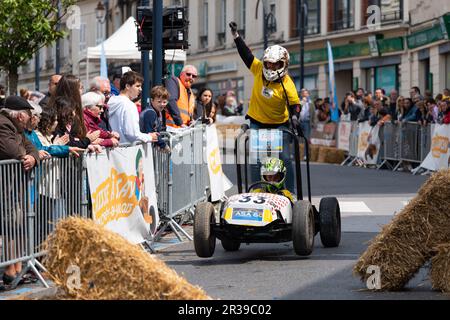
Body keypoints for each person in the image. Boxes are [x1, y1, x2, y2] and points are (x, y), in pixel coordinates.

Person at [229, 21, 300, 191]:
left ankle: (289, 191)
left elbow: (294, 104)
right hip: (257, 122)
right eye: (268, 63)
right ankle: (257, 189)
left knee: (285, 159)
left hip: (279, 125)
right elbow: (247, 56)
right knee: (256, 159)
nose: (271, 67)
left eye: (275, 64)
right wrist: (236, 36)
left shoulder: (287, 83)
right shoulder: (259, 70)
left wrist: (295, 117)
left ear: (283, 64)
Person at [0, 96, 40, 287]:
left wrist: (32, 157)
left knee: (15, 224)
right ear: (19, 115)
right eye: (28, 113)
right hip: (5, 186)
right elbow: (12, 151)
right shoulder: (3, 124)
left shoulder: (16, 128)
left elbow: (32, 148)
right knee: (8, 225)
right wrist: (28, 155)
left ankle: (14, 267)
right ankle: (10, 269)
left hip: (12, 186)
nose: (30, 117)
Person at [108, 71, 159, 144]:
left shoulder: (111, 101)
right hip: (127, 150)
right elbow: (132, 134)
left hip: (113, 149)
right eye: (137, 86)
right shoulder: (129, 105)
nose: (140, 89)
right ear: (127, 86)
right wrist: (149, 137)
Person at [139, 86, 171, 153]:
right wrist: (163, 145)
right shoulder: (150, 113)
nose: (162, 104)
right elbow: (150, 132)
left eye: (164, 102)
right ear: (152, 100)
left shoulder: (158, 112)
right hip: (143, 148)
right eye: (159, 102)